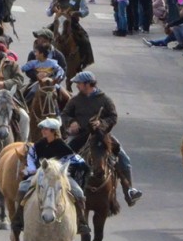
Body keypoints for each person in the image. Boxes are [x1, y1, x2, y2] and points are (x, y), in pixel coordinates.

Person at [61, 71, 142, 206]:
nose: (76, 86)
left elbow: (113, 117)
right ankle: (58, 189)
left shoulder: (105, 100)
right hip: (80, 135)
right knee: (61, 156)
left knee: (124, 159)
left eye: (79, 84)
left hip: (100, 135)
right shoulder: (75, 100)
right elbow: (65, 114)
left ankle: (129, 190)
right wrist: (71, 122)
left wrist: (101, 124)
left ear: (88, 84)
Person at [11, 117, 89, 234]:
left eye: (46, 129)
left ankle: (81, 222)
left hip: (59, 176)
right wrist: (32, 169)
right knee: (22, 187)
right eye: (43, 129)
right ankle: (18, 219)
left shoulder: (62, 146)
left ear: (53, 131)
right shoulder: (39, 145)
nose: (43, 131)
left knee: (78, 192)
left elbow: (73, 159)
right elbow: (31, 156)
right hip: (41, 175)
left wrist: (61, 169)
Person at [44, 0, 94, 68]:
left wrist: (78, 13)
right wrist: (52, 8)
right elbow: (48, 13)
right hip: (58, 22)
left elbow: (86, 10)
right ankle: (41, 58)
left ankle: (84, 61)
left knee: (85, 40)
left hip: (72, 23)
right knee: (43, 36)